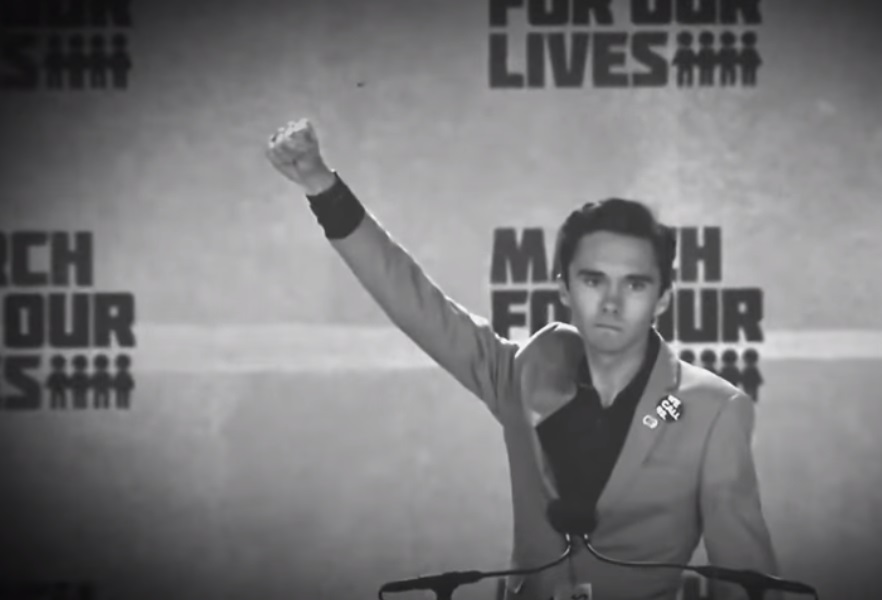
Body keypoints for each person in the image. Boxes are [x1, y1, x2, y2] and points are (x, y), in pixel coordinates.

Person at [265, 118, 781, 600]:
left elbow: (746, 576)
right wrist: (321, 186)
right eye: (593, 280)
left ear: (663, 298)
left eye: (635, 284)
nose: (611, 302)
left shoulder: (712, 409)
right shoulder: (524, 373)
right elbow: (414, 301)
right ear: (564, 289)